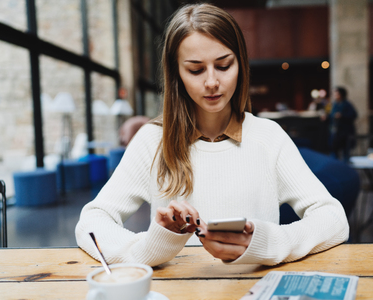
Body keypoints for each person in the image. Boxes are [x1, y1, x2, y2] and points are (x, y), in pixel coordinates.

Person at [75, 3, 349, 267]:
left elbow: (334, 219)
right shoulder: (152, 141)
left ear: (240, 64)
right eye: (195, 70)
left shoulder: (268, 137)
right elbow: (92, 221)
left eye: (224, 65)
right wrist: (151, 248)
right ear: (177, 74)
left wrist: (268, 243)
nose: (211, 82)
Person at [326, 87, 358, 163]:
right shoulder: (335, 104)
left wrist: (342, 115)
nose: (335, 95)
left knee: (345, 152)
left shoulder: (347, 104)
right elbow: (331, 116)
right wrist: (326, 117)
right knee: (334, 150)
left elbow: (354, 115)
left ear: (341, 94)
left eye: (336, 94)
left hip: (345, 132)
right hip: (336, 132)